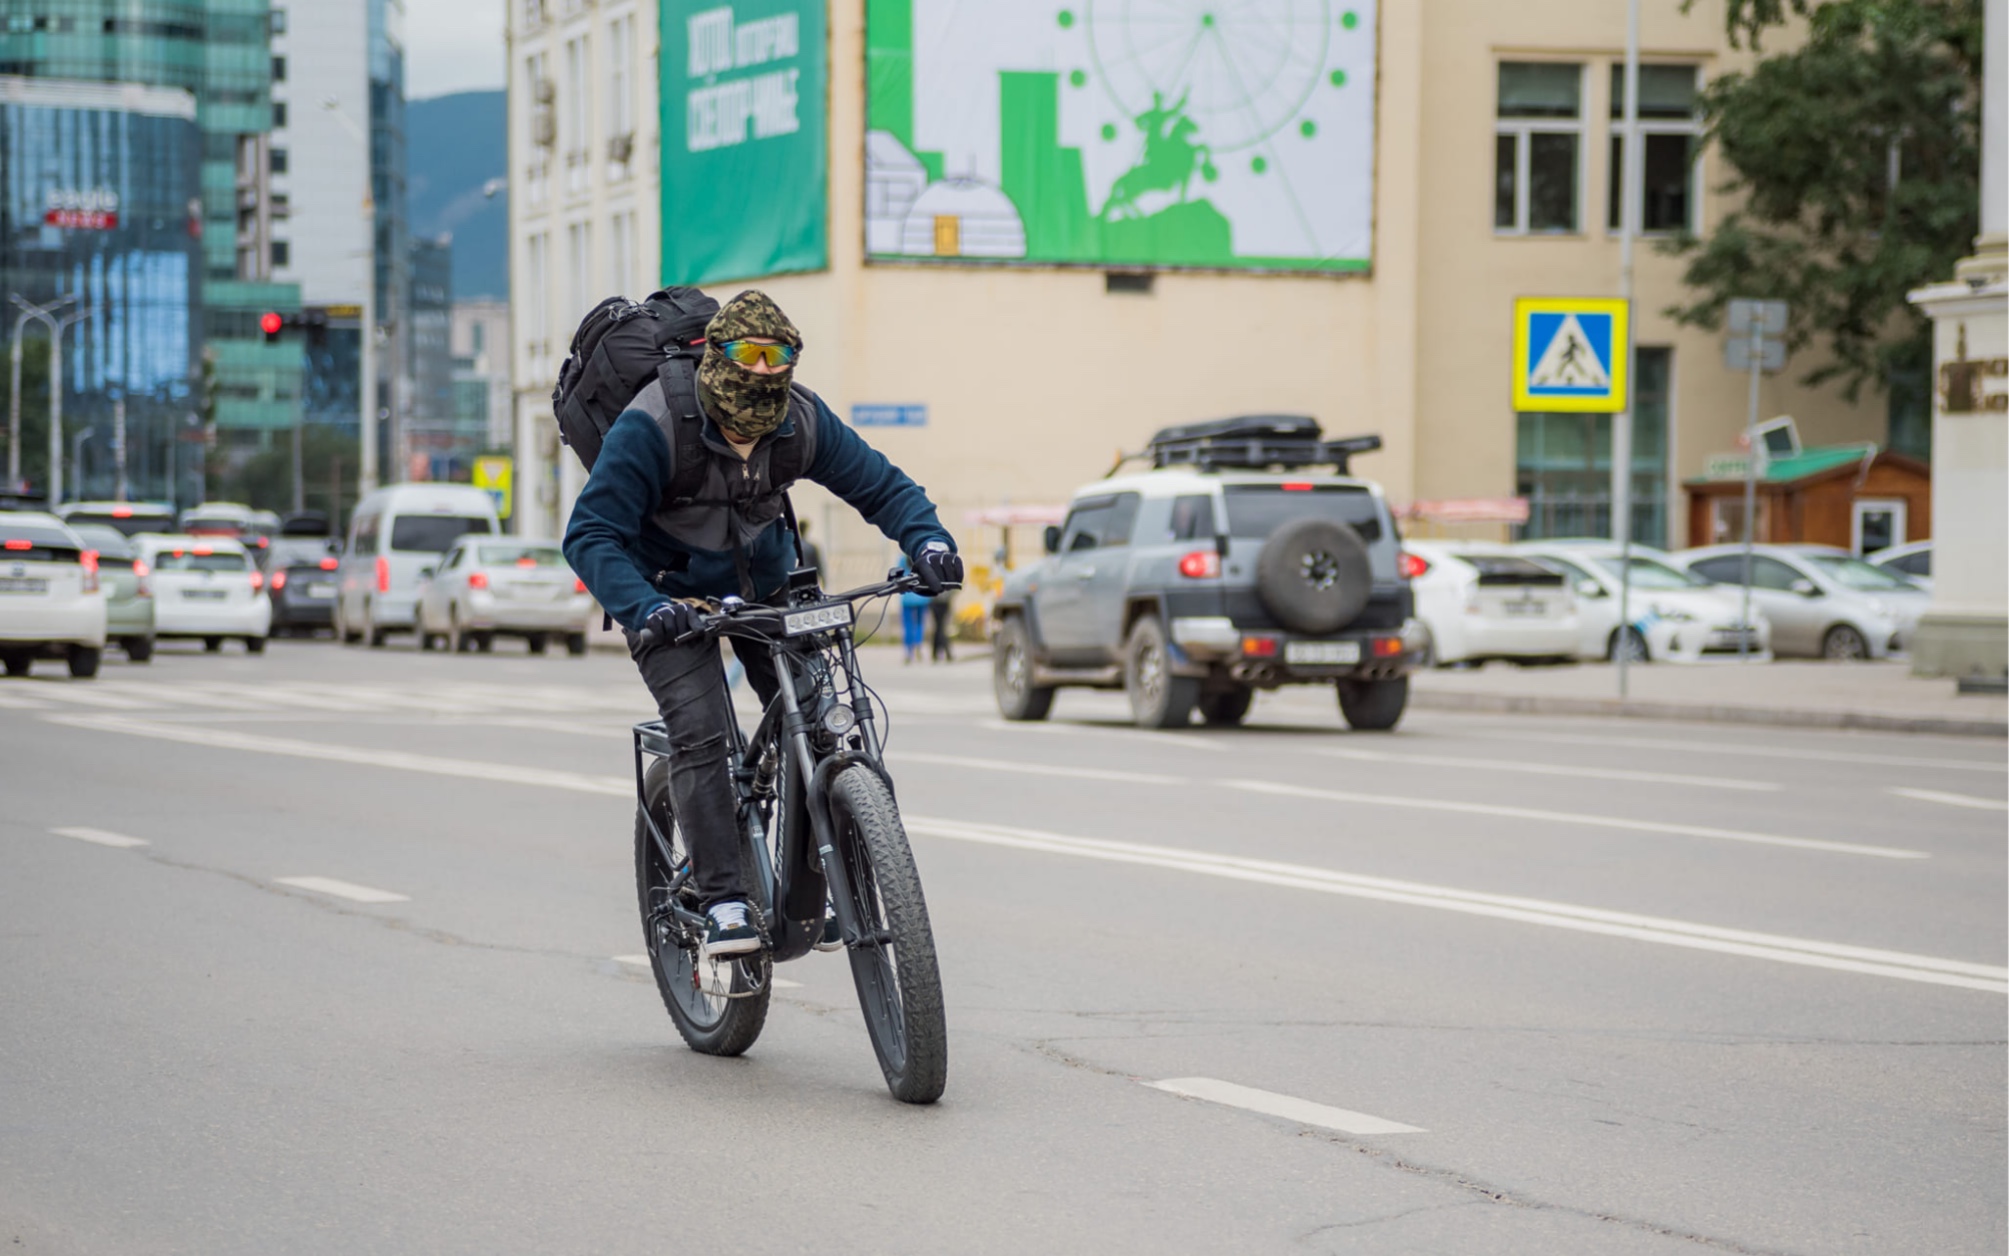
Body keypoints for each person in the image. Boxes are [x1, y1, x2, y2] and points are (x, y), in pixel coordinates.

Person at [563, 290, 962, 959]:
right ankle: (721, 901)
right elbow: (590, 535)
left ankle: (838, 867)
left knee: (823, 713)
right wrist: (645, 609)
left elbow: (883, 487)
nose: (750, 437)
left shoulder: (800, 421)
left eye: (762, 425)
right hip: (666, 600)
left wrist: (928, 544)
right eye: (739, 426)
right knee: (703, 735)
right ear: (714, 383)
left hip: (765, 584)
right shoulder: (652, 424)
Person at [900, 575, 929, 664]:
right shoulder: (923, 561)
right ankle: (918, 644)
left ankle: (909, 651)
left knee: (908, 625)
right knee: (919, 623)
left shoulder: (903, 561)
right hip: (921, 597)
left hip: (907, 598)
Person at [928, 589, 954, 662]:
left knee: (939, 626)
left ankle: (935, 652)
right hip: (941, 600)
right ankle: (947, 651)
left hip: (938, 600)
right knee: (940, 626)